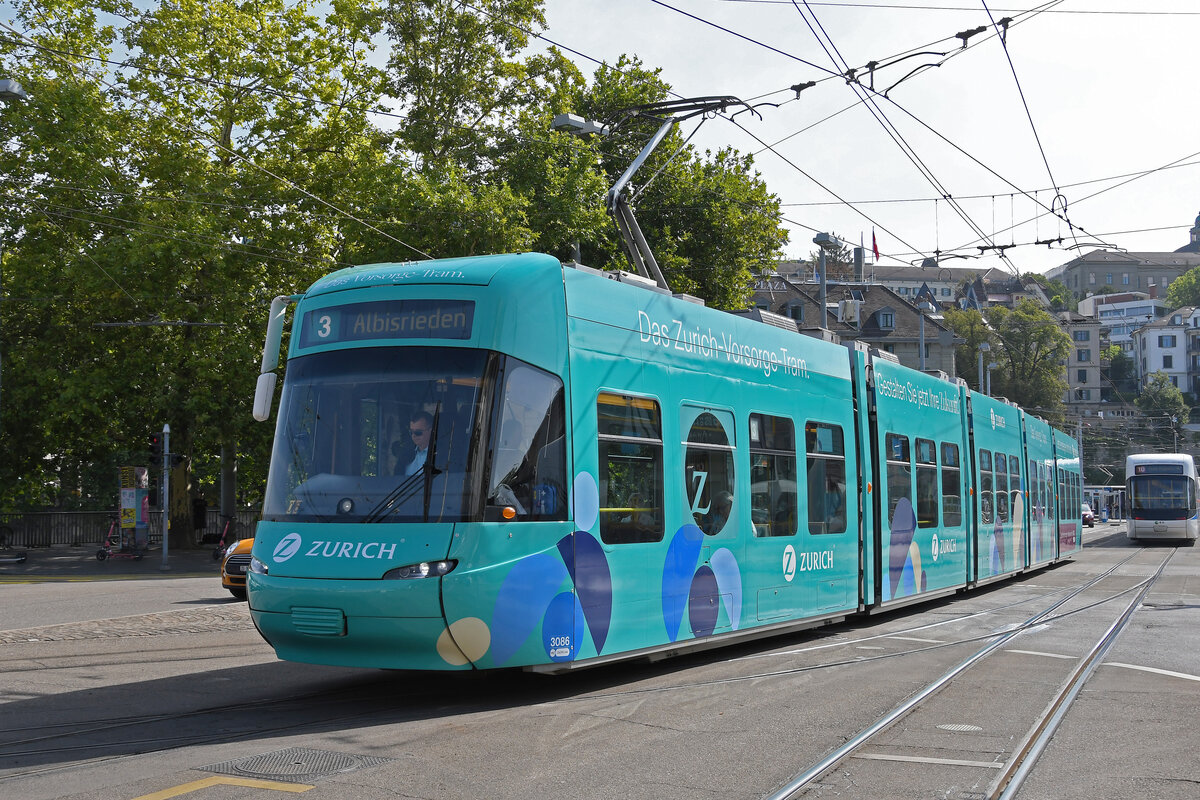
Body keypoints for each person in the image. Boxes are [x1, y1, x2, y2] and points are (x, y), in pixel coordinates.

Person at [402, 411, 434, 477]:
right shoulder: (405, 455)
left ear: (430, 431)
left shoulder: (441, 454)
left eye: (418, 432)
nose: (413, 435)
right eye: (411, 432)